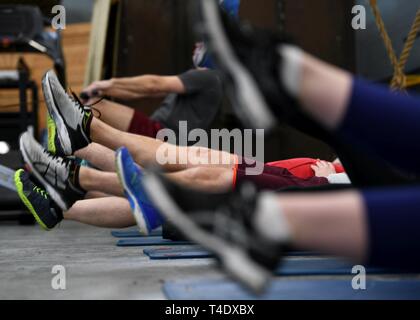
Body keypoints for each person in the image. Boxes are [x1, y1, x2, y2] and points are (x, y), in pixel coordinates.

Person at [131, 0, 420, 292]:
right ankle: (281, 79)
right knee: (337, 140)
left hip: (337, 178)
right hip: (351, 177)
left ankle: (281, 78)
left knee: (225, 169)